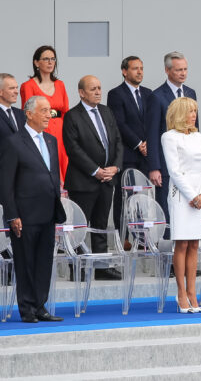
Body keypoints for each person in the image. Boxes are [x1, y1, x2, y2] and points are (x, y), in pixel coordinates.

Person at [0, 96, 66, 323]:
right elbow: (5, 183)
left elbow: (53, 174)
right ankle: (27, 309)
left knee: (44, 261)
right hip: (24, 214)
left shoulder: (50, 140)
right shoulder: (14, 141)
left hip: (48, 212)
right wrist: (11, 214)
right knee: (25, 261)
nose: (49, 115)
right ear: (29, 114)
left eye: (50, 111)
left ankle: (40, 306)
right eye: (44, 111)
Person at [62, 76, 123, 279]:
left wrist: (115, 167)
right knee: (80, 226)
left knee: (101, 224)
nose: (98, 92)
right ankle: (77, 268)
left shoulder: (106, 111)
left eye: (99, 88)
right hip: (83, 181)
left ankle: (100, 266)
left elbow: (117, 141)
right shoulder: (73, 116)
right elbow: (73, 149)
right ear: (81, 92)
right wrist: (95, 170)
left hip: (107, 179)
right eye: (93, 89)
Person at [161, 97, 201, 313]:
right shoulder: (169, 137)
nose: (193, 115)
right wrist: (192, 196)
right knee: (181, 244)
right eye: (190, 111)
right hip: (181, 196)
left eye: (195, 111)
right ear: (179, 113)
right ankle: (181, 292)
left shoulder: (198, 136)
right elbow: (174, 171)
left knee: (194, 244)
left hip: (199, 196)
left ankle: (193, 292)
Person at [146, 52, 198, 237]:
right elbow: (151, 134)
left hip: (189, 166)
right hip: (167, 166)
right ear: (167, 70)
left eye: (185, 69)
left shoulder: (190, 93)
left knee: (188, 212)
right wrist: (154, 167)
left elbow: (195, 130)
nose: (183, 73)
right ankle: (170, 261)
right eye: (178, 70)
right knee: (169, 212)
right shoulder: (157, 96)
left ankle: (185, 260)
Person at [107, 56, 151, 250]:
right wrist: (138, 143)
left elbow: (152, 121)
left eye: (141, 68)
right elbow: (119, 123)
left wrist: (148, 143)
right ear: (125, 71)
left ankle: (141, 236)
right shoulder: (116, 94)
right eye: (135, 68)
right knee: (124, 197)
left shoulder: (149, 94)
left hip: (146, 155)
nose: (139, 72)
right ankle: (122, 235)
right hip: (128, 153)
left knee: (143, 198)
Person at [20, 45, 69, 183]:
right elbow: (28, 113)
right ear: (36, 62)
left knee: (63, 162)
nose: (50, 62)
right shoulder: (28, 85)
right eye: (46, 59)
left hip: (60, 130)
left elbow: (66, 111)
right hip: (41, 130)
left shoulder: (60, 84)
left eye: (53, 59)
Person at [0, 74, 24, 145]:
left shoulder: (21, 114)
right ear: (0, 92)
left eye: (16, 88)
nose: (16, 92)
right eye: (11, 88)